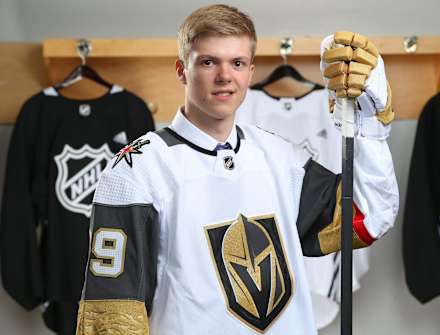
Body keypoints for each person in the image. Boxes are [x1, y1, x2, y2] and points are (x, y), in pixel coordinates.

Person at [75, 4, 398, 335]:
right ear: (181, 70)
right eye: (208, 61)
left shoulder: (280, 157)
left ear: (250, 71)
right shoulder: (137, 169)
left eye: (237, 63)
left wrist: (369, 126)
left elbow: (368, 217)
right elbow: (110, 317)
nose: (224, 76)